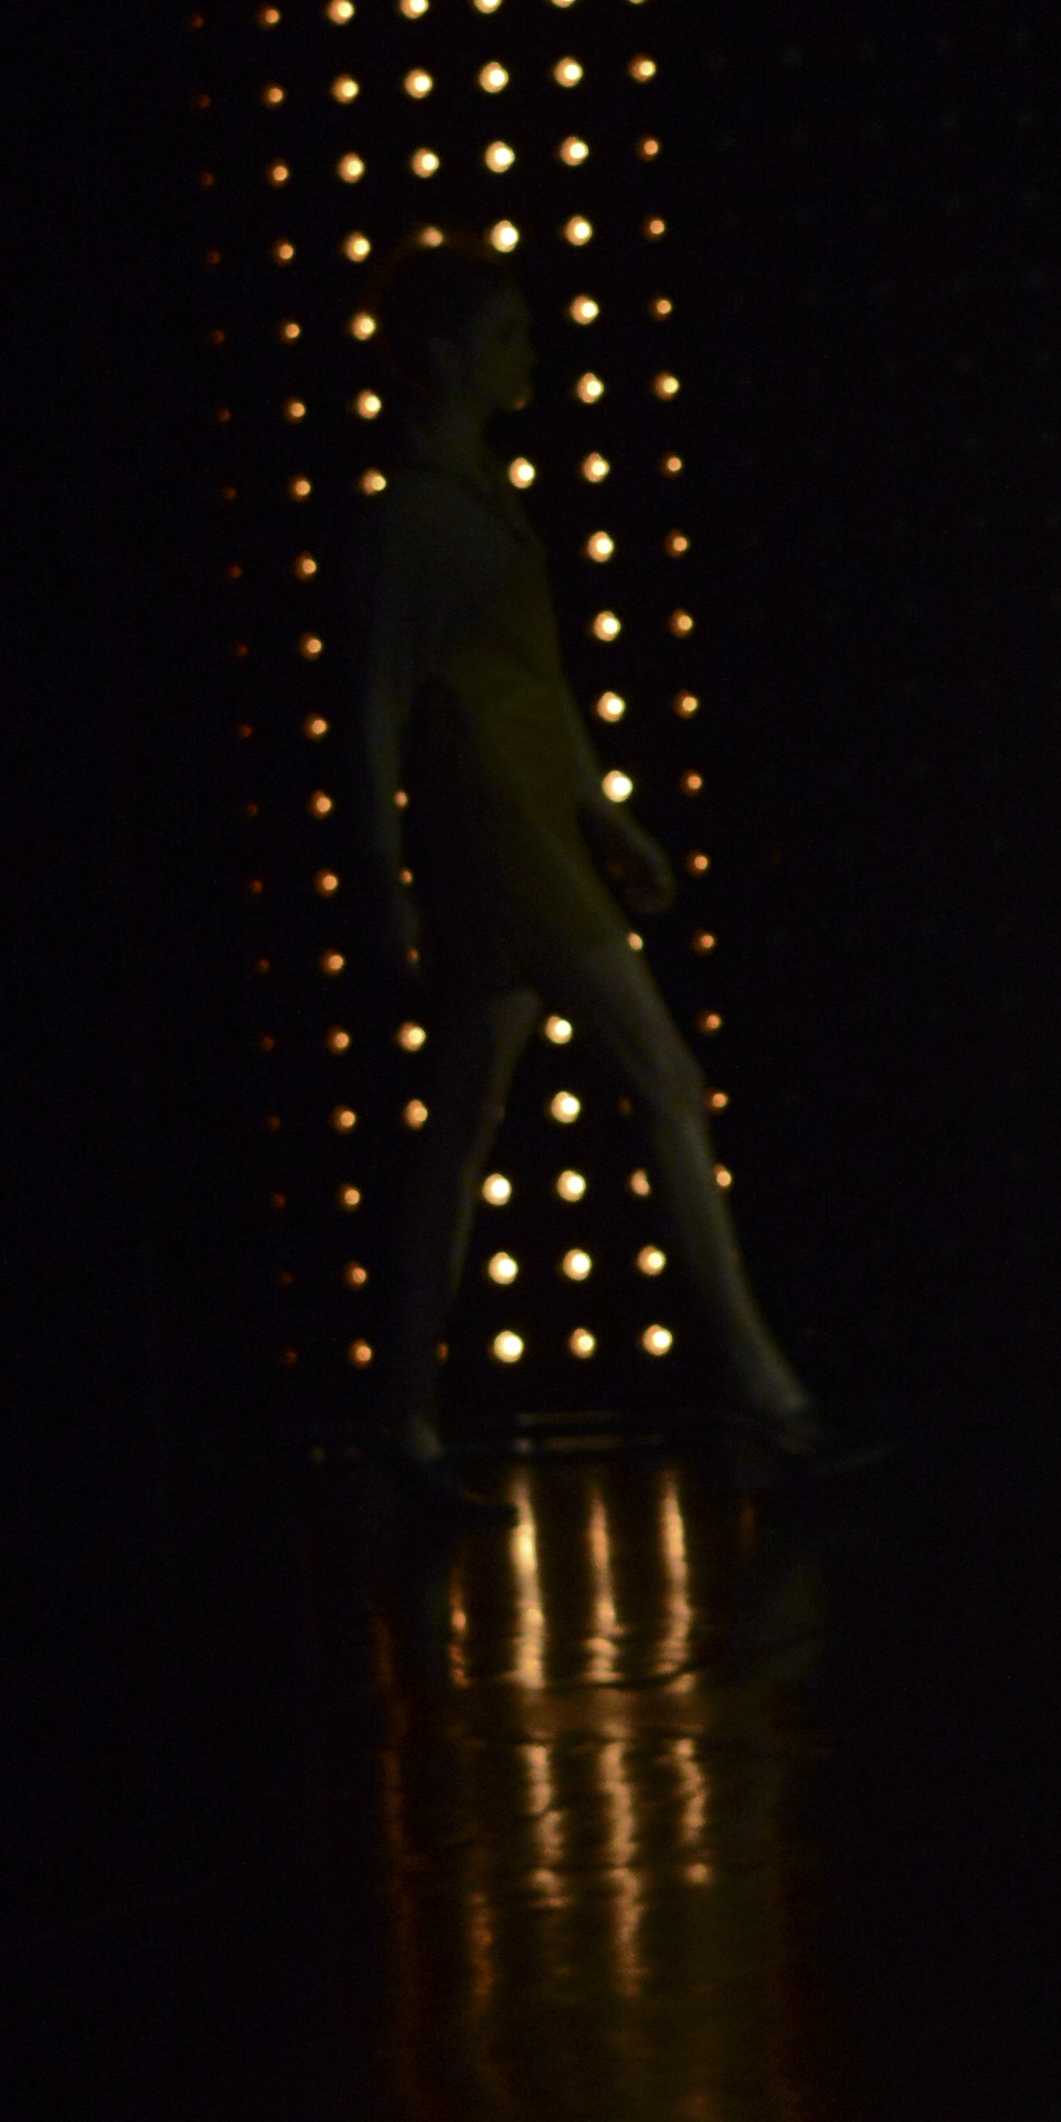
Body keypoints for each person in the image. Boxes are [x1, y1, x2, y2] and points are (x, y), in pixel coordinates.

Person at [346, 232, 827, 1485]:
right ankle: (768, 1396)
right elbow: (374, 702)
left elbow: (535, 687)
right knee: (662, 1080)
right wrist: (384, 874)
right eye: (503, 335)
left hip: (522, 829)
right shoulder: (413, 516)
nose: (526, 355)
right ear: (445, 355)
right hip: (492, 836)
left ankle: (401, 1414)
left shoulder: (476, 497)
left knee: (460, 1131)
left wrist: (603, 817)